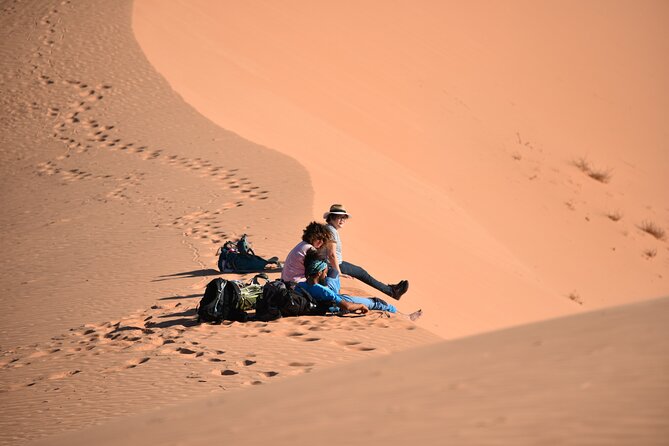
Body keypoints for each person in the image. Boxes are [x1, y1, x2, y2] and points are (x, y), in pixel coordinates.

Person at [297, 249, 422, 320]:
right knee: (377, 302)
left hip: (324, 302)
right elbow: (346, 306)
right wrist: (361, 305)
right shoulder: (323, 290)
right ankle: (405, 318)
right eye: (325, 270)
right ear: (319, 272)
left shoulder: (301, 285)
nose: (326, 273)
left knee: (335, 274)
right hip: (335, 305)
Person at [323, 204, 409, 300]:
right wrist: (338, 273)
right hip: (333, 266)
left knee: (361, 272)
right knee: (362, 273)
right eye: (340, 217)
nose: (343, 220)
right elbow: (331, 254)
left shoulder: (330, 229)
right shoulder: (330, 231)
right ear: (332, 217)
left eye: (344, 218)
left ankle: (390, 289)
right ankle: (391, 291)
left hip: (334, 264)